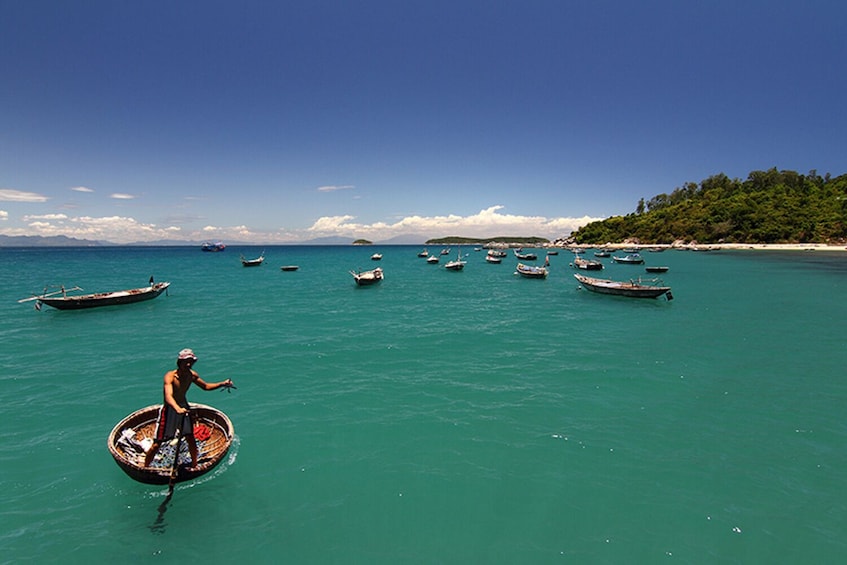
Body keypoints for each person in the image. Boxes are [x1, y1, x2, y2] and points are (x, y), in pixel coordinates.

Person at [144, 348, 233, 469]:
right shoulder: (170, 376)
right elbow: (168, 396)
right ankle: (145, 467)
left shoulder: (192, 375)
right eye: (186, 361)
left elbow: (206, 386)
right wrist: (177, 408)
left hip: (184, 408)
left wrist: (222, 383)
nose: (189, 364)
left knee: (190, 437)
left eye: (191, 361)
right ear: (179, 362)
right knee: (157, 443)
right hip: (170, 410)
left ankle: (194, 465)